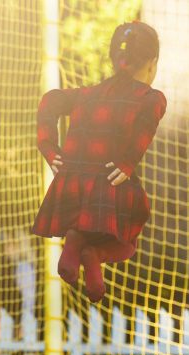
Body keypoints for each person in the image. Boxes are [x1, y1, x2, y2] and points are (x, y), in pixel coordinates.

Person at [32, 21, 167, 302]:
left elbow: (49, 101)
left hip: (73, 183)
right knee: (129, 239)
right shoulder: (150, 98)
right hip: (109, 182)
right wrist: (127, 162)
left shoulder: (86, 95)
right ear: (152, 64)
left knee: (83, 225)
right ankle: (94, 254)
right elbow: (145, 128)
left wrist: (49, 148)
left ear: (114, 59)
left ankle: (75, 244)